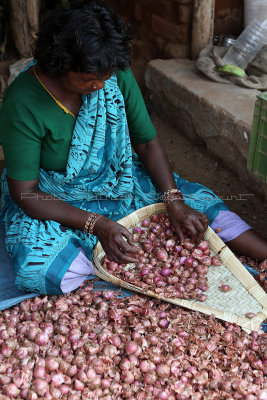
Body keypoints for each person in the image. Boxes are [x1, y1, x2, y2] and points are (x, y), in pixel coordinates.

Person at [0, 1, 266, 295]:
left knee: (199, 213)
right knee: (45, 269)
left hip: (119, 183)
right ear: (59, 64)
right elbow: (25, 192)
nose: (100, 85)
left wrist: (172, 199)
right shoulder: (22, 102)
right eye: (87, 79)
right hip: (55, 199)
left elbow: (146, 141)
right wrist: (96, 223)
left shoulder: (112, 75)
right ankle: (112, 275)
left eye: (105, 76)